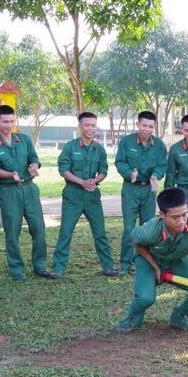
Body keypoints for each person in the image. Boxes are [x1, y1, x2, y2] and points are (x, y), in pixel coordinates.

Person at [117, 187, 188, 333]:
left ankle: (180, 318)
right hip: (149, 260)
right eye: (175, 217)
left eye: (184, 215)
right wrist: (155, 266)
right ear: (162, 215)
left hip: (176, 260)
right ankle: (130, 319)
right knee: (146, 298)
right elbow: (137, 243)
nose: (181, 221)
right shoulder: (149, 231)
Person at [0, 105, 57, 280]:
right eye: (5, 122)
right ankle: (16, 270)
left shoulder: (23, 139)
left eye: (12, 121)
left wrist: (34, 166)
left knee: (38, 228)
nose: (9, 125)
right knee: (12, 231)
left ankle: (40, 266)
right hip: (8, 191)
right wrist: (10, 175)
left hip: (30, 189)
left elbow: (34, 158)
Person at [52, 112, 117, 277]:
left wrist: (95, 180)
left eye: (93, 125)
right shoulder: (70, 147)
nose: (90, 128)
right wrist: (82, 182)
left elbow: (104, 171)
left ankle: (108, 266)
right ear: (80, 126)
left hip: (92, 196)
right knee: (66, 232)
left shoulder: (99, 149)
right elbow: (64, 170)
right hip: (72, 195)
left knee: (100, 233)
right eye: (87, 125)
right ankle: (58, 268)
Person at [115, 111, 168, 274]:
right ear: (138, 124)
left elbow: (162, 165)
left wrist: (155, 176)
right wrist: (129, 173)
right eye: (144, 125)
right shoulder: (126, 142)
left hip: (149, 190)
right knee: (129, 228)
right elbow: (119, 162)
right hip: (131, 188)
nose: (147, 129)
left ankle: (145, 263)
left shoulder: (159, 145)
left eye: (151, 126)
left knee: (148, 227)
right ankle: (125, 264)